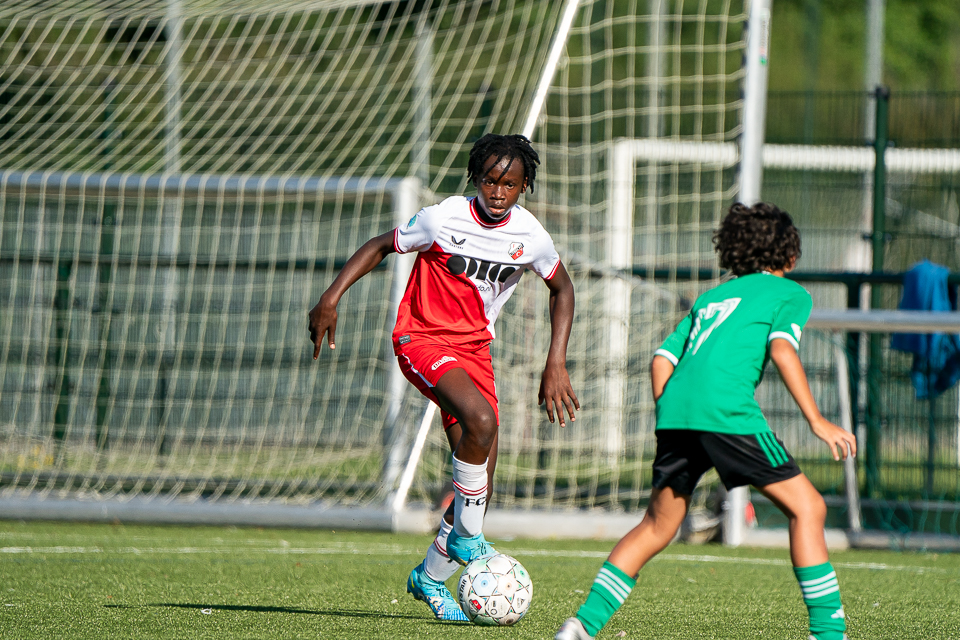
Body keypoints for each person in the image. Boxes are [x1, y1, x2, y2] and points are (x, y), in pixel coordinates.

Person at [309, 133, 579, 622]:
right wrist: (331, 297)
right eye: (490, 181)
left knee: (478, 483)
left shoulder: (531, 236)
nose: (498, 193)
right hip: (422, 339)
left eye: (511, 184)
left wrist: (555, 360)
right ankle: (470, 542)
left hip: (475, 350)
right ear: (477, 179)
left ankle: (431, 578)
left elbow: (562, 288)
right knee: (480, 422)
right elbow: (381, 245)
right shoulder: (443, 217)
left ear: (524, 187)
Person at [555, 202, 857, 640]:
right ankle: (828, 635)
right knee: (809, 507)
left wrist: (672, 412)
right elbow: (782, 350)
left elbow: (662, 357)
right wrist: (817, 421)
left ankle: (580, 627)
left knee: (657, 526)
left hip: (676, 412)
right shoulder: (791, 294)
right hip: (727, 412)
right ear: (791, 257)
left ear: (734, 253)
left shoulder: (713, 296)